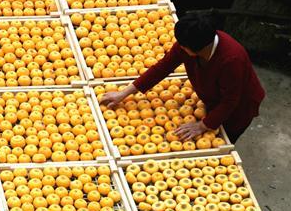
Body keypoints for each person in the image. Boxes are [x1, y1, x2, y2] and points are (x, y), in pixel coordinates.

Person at [100, 13, 265, 143]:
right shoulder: (193, 41)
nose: (179, 47)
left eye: (183, 46)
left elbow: (230, 101)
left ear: (195, 49)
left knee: (223, 136)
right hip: (213, 98)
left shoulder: (231, 60)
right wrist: (124, 93)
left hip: (239, 107)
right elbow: (163, 67)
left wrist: (202, 126)